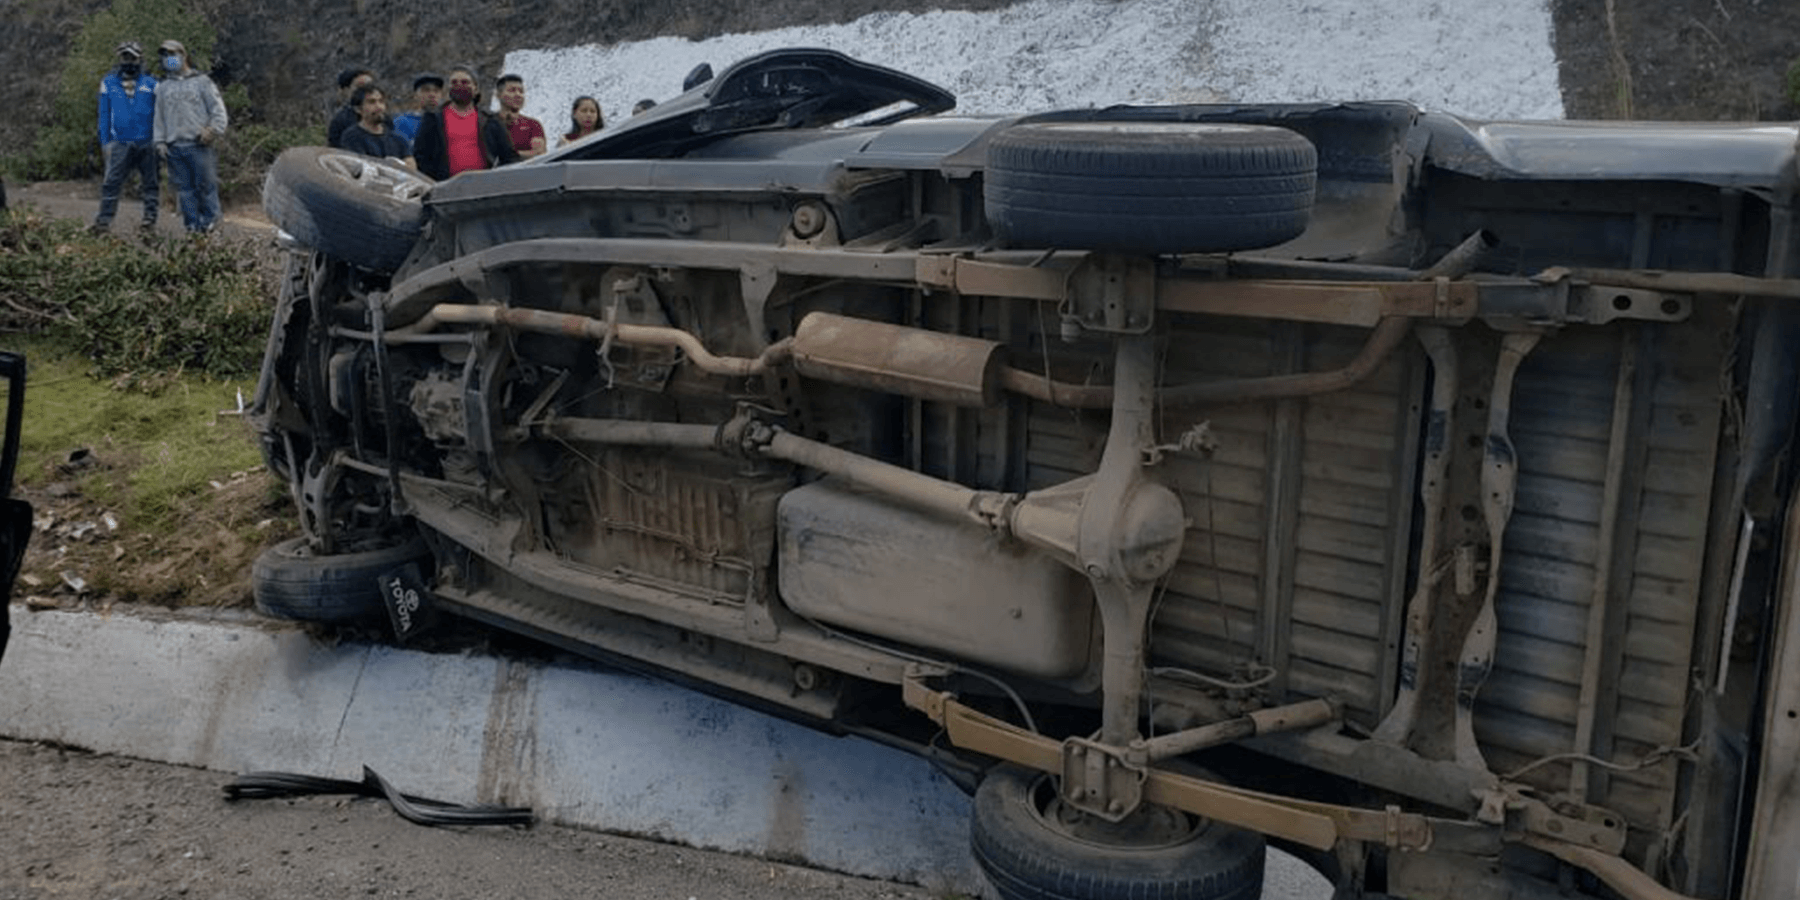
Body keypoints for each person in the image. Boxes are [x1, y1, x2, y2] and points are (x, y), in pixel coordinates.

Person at [151, 39, 227, 234]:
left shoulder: (202, 82)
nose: (169, 59)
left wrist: (213, 130)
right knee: (185, 192)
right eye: (165, 55)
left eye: (172, 54)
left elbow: (218, 110)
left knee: (206, 188)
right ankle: (192, 228)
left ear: (183, 55)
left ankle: (211, 226)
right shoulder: (163, 87)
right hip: (175, 147)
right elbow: (158, 117)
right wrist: (159, 141)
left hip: (199, 145)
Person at [92, 41, 160, 234]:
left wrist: (160, 140)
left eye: (131, 57)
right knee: (111, 184)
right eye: (124, 57)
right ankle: (103, 223)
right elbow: (104, 114)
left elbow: (161, 114)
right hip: (119, 142)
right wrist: (105, 142)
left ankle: (149, 221)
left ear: (139, 58)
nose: (127, 61)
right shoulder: (108, 83)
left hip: (147, 141)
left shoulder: (152, 83)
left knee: (150, 184)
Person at [411, 65, 519, 181]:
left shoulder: (490, 120)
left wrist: (498, 179)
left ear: (476, 88)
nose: (459, 86)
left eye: (465, 82)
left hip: (485, 186)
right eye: (454, 83)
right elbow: (421, 155)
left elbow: (509, 155)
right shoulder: (433, 119)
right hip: (445, 187)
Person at [337, 84, 413, 166]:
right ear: (358, 109)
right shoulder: (352, 138)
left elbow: (411, 169)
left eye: (381, 101)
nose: (378, 106)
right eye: (371, 102)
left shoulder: (399, 140)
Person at [494, 73, 545, 159]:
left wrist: (509, 154)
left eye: (521, 91)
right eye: (512, 90)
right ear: (498, 95)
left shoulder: (532, 124)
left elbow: (539, 154)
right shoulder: (489, 122)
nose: (518, 95)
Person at [326, 67, 373, 148]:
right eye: (360, 87)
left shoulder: (384, 118)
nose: (367, 91)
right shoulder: (341, 121)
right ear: (345, 90)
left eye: (370, 86)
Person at [391, 73, 442, 145]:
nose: (432, 95)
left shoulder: (446, 122)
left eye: (436, 91)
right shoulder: (403, 122)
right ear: (415, 95)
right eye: (426, 90)